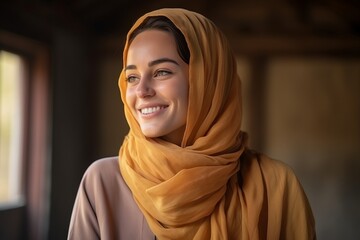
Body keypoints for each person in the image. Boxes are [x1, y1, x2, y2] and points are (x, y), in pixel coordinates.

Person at [67, 8, 316, 240]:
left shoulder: (275, 187)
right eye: (132, 77)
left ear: (208, 80)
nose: (141, 90)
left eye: (162, 72)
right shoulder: (102, 185)